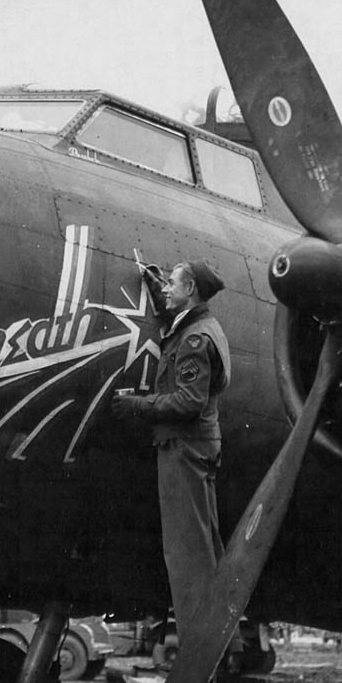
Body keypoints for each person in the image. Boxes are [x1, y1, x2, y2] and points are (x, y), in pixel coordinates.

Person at [109, 259, 231, 655]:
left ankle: (200, 652)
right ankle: (219, 641)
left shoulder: (196, 339)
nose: (164, 288)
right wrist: (164, 293)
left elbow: (189, 401)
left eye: (173, 284)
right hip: (195, 446)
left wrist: (138, 406)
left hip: (184, 447)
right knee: (205, 548)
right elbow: (178, 327)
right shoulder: (201, 326)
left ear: (191, 287)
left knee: (187, 556)